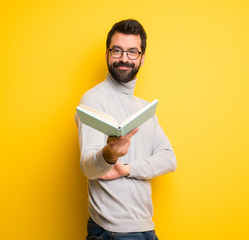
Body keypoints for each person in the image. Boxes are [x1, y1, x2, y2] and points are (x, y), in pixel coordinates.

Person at [76, 19, 177, 240]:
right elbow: (88, 167)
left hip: (146, 229)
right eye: (117, 50)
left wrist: (127, 169)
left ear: (142, 58)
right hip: (112, 232)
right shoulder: (94, 100)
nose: (124, 58)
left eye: (132, 52)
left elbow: (169, 159)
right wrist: (109, 155)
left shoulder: (144, 109)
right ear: (106, 54)